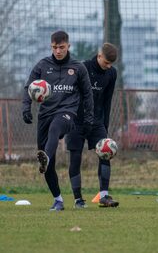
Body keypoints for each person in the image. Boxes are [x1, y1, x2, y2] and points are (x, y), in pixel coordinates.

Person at [22, 30, 94, 211]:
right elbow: (28, 87)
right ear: (51, 46)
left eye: (61, 47)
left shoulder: (78, 68)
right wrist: (26, 108)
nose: (58, 51)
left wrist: (89, 117)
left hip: (67, 113)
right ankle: (58, 200)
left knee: (56, 127)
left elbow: (87, 94)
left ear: (68, 46)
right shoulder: (42, 65)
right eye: (55, 47)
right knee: (48, 167)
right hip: (45, 114)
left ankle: (45, 156)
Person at [66, 43, 119, 208]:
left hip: (96, 122)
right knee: (75, 157)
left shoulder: (111, 73)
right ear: (99, 56)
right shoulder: (82, 68)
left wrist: (105, 125)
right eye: (106, 63)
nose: (108, 66)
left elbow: (107, 100)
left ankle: (104, 196)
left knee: (106, 153)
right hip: (77, 120)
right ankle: (78, 199)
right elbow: (70, 94)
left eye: (111, 64)